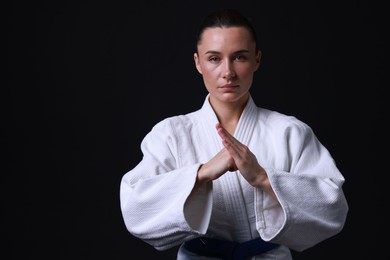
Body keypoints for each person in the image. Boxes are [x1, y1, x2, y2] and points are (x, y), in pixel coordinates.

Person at [119, 8, 348, 260]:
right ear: (198, 62)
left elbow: (333, 207)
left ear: (257, 60)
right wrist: (201, 173)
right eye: (214, 58)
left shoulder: (290, 132)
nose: (228, 72)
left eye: (239, 57)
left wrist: (263, 178)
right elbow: (135, 210)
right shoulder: (170, 134)